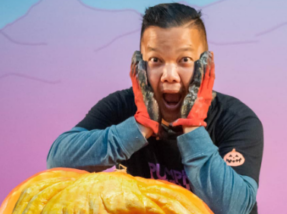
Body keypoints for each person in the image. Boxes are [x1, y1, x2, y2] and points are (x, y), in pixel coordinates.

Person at [47, 3, 263, 214]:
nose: (169, 75)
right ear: (140, 65)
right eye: (155, 60)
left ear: (206, 65)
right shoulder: (121, 106)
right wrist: (138, 127)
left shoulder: (238, 120)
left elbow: (235, 208)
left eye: (184, 60)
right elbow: (58, 161)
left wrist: (193, 129)